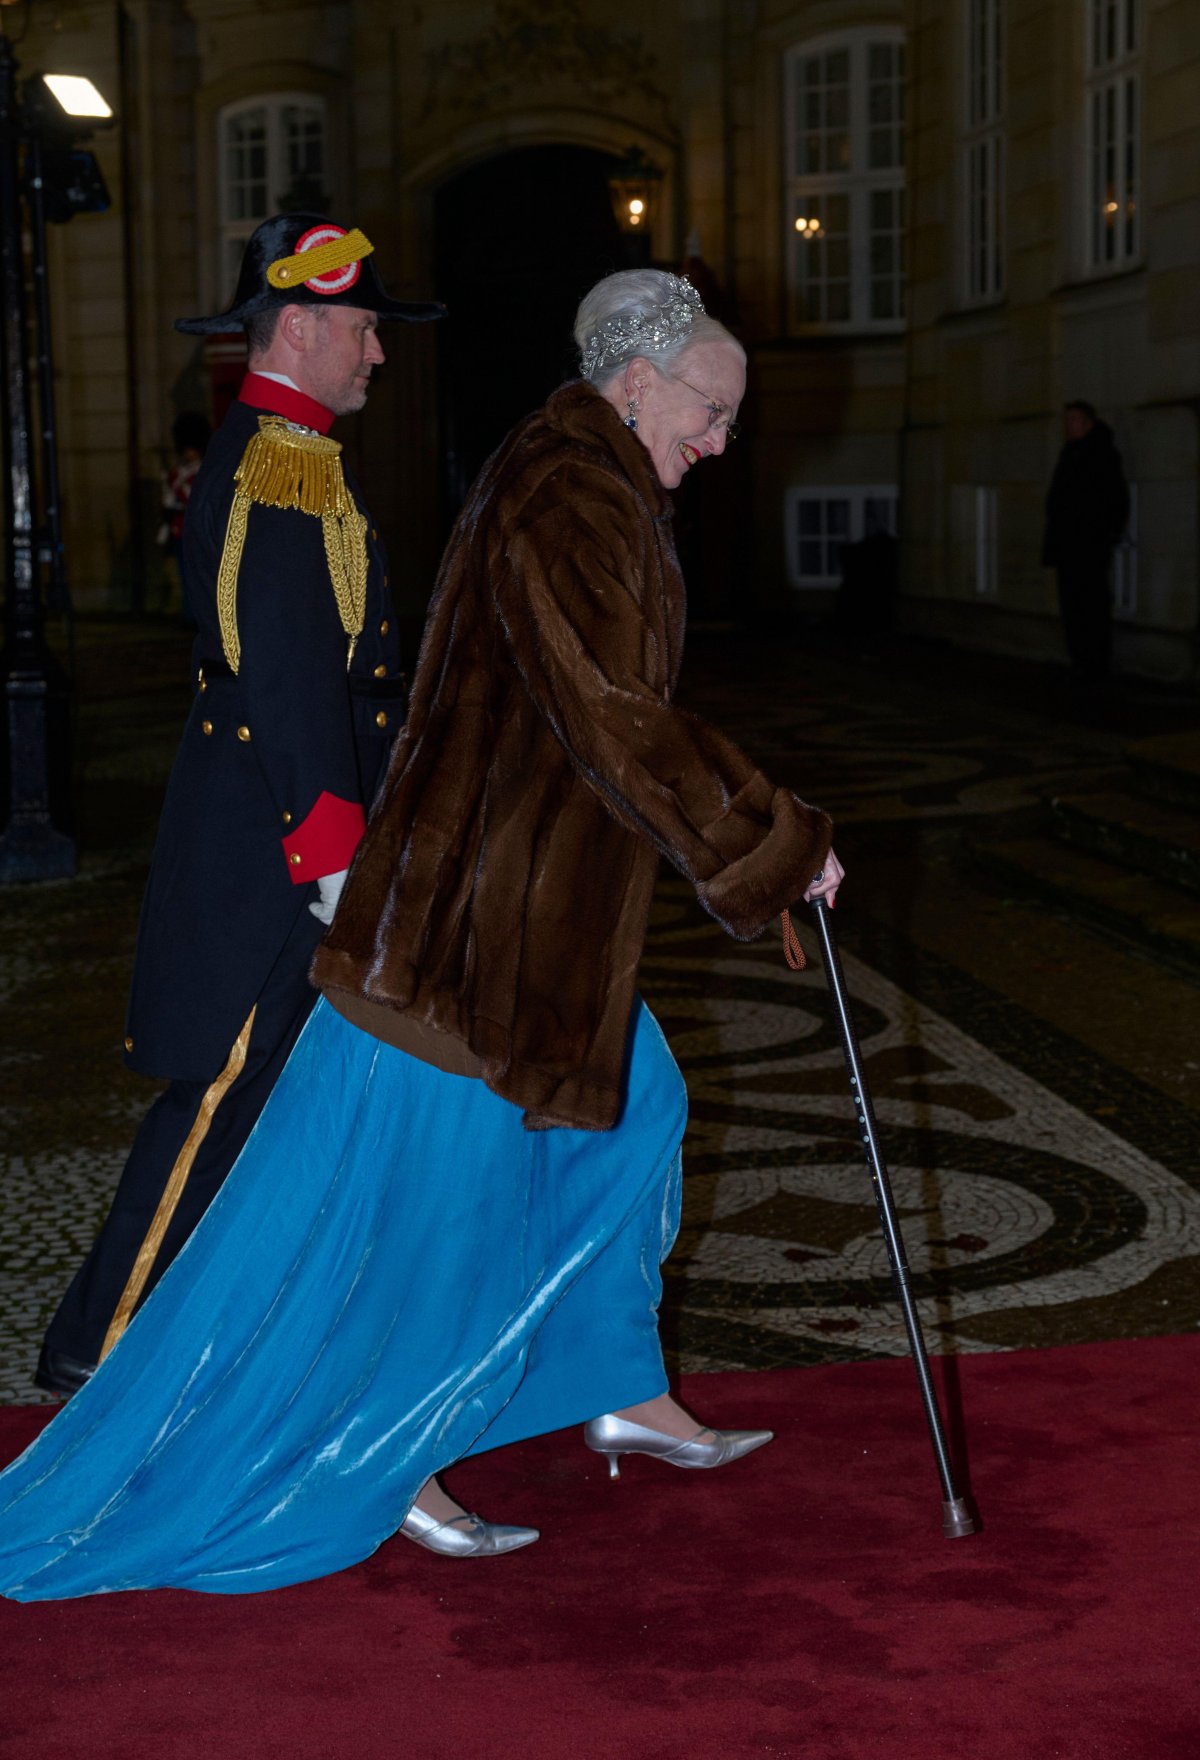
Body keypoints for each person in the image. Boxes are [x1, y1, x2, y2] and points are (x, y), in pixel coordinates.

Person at [0, 269, 842, 1597]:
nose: (724, 438)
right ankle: (384, 1459)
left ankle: (620, 1390)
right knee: (427, 1210)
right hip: (475, 924)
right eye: (713, 409)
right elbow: (613, 712)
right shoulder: (572, 491)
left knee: (640, 1117)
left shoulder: (601, 478)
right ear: (638, 383)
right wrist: (779, 841)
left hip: (530, 908)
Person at [34, 214, 444, 1398]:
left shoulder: (296, 452)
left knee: (262, 1089)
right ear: (304, 325)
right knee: (216, 1084)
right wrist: (330, 850)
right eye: (363, 328)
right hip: (273, 838)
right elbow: (282, 674)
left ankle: (203, 1321)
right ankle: (95, 1340)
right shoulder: (278, 461)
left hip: (285, 827)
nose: (376, 352)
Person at [1042, 399, 1130, 688]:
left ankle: (1094, 665)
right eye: (1067, 420)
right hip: (1071, 546)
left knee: (1090, 606)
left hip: (1089, 546)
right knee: (1073, 607)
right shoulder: (1070, 454)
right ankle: (1081, 662)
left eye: (1075, 420)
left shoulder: (1101, 455)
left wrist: (1103, 535)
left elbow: (1115, 500)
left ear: (1089, 423)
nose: (1069, 426)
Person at [155, 409, 210, 614]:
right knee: (182, 574)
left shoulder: (202, 470)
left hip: (196, 528)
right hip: (179, 529)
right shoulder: (178, 471)